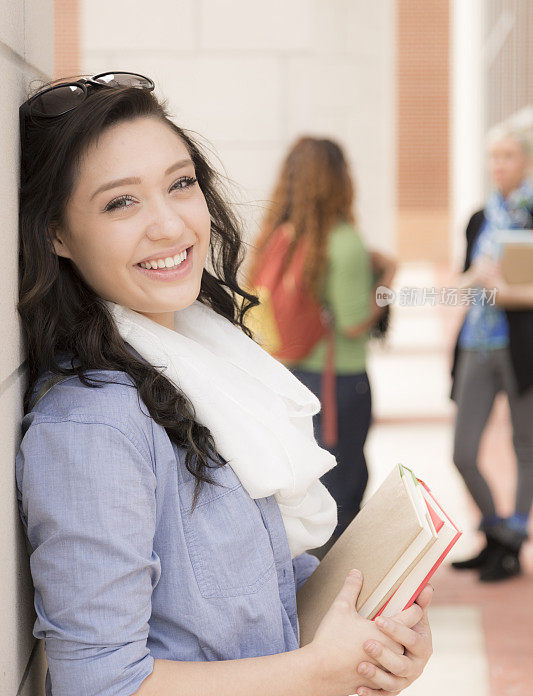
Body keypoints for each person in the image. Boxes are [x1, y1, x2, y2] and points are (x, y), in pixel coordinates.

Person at [15, 74, 432, 696]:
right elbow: (103, 685)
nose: (169, 224)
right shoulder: (92, 428)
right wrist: (319, 671)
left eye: (180, 184)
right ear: (56, 234)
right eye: (119, 202)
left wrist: (378, 639)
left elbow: (249, 589)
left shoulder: (202, 365)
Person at [246, 137, 397, 553]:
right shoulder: (343, 241)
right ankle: (339, 589)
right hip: (338, 383)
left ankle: (310, 579)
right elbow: (352, 324)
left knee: (309, 490)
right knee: (344, 487)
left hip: (289, 377)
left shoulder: (279, 235)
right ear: (339, 180)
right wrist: (386, 283)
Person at [450, 123, 533, 582]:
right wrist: (475, 278)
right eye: (493, 156)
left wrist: (505, 290)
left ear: (526, 161)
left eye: (507, 156)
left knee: (526, 448)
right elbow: (462, 286)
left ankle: (512, 543)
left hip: (521, 348)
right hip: (477, 346)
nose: (498, 165)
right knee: (462, 451)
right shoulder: (479, 219)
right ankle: (494, 532)